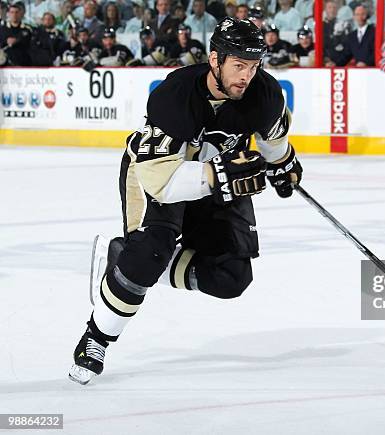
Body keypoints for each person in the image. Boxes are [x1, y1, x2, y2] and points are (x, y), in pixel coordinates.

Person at [68, 17, 302, 385]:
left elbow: (272, 139)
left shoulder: (265, 94)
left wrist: (282, 163)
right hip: (161, 175)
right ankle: (96, 337)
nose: (246, 75)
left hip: (213, 185)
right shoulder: (175, 95)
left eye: (253, 66)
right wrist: (219, 175)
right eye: (238, 65)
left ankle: (121, 259)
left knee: (231, 278)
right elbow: (161, 183)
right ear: (215, 60)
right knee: (151, 250)